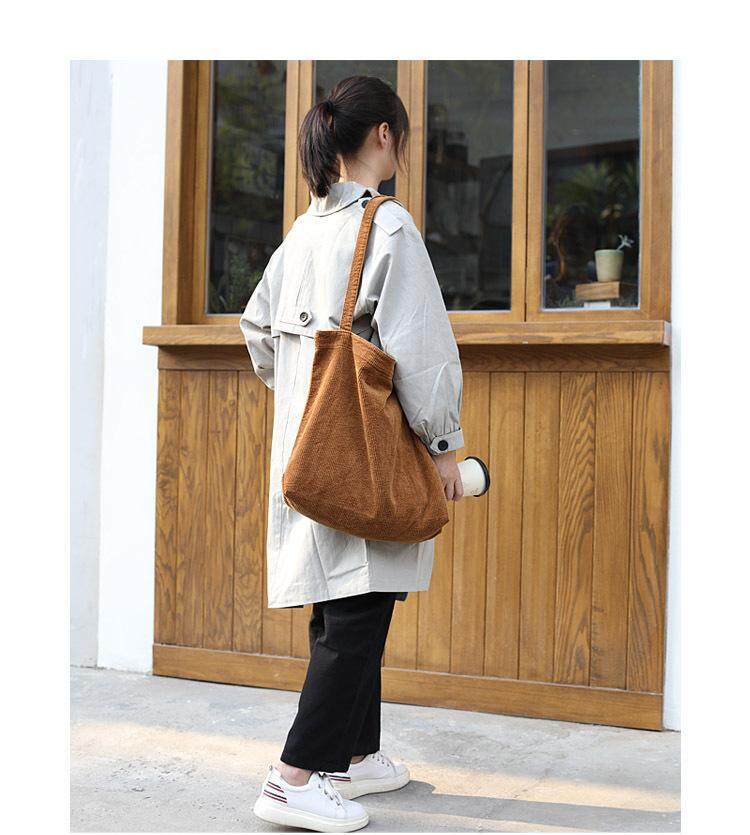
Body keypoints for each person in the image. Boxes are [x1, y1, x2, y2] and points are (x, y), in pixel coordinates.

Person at [240, 75, 464, 833]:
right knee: (357, 613)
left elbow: (256, 330)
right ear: (383, 136)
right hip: (364, 449)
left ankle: (354, 755)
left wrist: (304, 390)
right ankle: (293, 777)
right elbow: (421, 347)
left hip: (307, 449)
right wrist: (443, 445)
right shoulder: (387, 225)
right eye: (402, 136)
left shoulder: (302, 233)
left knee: (344, 600)